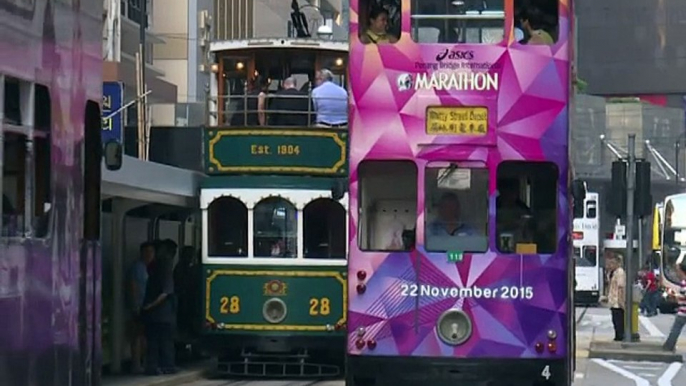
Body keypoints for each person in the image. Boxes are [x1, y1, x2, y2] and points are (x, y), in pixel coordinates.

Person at [142, 239, 178, 375]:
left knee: (154, 342)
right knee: (164, 341)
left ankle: (153, 366)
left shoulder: (155, 266)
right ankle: (166, 366)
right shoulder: (164, 266)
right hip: (163, 313)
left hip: (156, 313)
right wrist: (151, 305)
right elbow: (166, 292)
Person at [126, 241, 155, 374]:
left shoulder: (148, 268)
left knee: (143, 336)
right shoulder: (137, 267)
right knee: (137, 336)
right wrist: (135, 305)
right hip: (139, 306)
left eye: (152, 252)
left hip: (146, 306)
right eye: (147, 252)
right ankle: (136, 364)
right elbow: (133, 286)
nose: (150, 255)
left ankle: (142, 363)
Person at [663, 262, 686, 351]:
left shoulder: (684, 282)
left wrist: (675, 296)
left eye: (677, 270)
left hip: (683, 311)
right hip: (683, 309)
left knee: (675, 329)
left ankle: (669, 346)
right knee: (676, 329)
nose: (676, 273)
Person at [606, 252, 626, 341]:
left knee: (618, 321)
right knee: (615, 320)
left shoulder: (620, 272)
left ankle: (620, 337)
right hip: (613, 301)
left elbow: (620, 287)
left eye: (612, 263)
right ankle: (618, 336)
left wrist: (621, 302)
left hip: (617, 302)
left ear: (618, 263)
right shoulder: (613, 272)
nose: (610, 265)